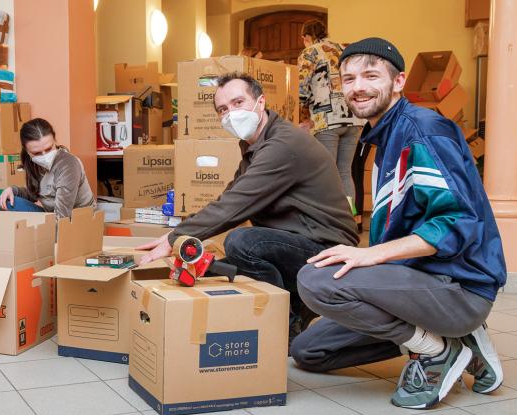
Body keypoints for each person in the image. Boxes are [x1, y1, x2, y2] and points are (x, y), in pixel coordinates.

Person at [293, 38, 506, 410]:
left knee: (316, 281)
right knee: (310, 351)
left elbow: (458, 222)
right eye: (348, 78)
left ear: (398, 81)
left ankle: (437, 351)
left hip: (459, 286)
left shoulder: (421, 131)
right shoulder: (381, 134)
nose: (357, 87)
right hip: (419, 281)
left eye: (370, 75)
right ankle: (457, 342)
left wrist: (371, 255)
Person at [137, 72, 358, 344]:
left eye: (238, 102)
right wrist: (177, 233)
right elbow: (230, 196)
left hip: (328, 250)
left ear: (260, 102)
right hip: (301, 240)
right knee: (216, 268)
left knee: (242, 242)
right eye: (222, 109)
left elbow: (235, 205)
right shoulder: (255, 146)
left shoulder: (282, 145)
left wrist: (175, 238)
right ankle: (291, 305)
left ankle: (284, 323)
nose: (231, 113)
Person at [298, 20, 366, 231]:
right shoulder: (345, 49)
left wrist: (300, 108)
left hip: (326, 118)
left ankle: (329, 225)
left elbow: (301, 88)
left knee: (325, 174)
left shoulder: (310, 52)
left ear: (307, 36)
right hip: (353, 118)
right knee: (345, 172)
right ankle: (348, 223)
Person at [0, 118, 95, 217]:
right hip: (51, 215)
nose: (44, 156)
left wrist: (41, 229)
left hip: (76, 219)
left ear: (55, 140)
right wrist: (13, 190)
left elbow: (63, 215)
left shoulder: (68, 164)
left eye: (49, 149)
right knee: (7, 202)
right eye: (37, 153)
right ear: (27, 151)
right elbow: (34, 193)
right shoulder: (33, 163)